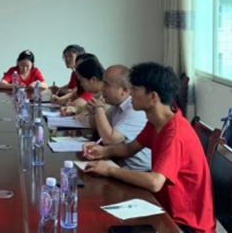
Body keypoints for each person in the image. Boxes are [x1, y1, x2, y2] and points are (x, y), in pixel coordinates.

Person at [82, 62, 215, 233]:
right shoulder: (156, 122)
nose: (131, 94)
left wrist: (109, 170)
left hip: (184, 224)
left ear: (152, 97)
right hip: (162, 207)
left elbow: (154, 182)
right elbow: (130, 149)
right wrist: (102, 151)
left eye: (135, 89)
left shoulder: (175, 132)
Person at [82, 65, 151, 171]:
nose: (102, 89)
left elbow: (109, 139)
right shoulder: (116, 106)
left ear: (124, 90)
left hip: (138, 170)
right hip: (120, 162)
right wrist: (93, 110)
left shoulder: (134, 109)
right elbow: (96, 127)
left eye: (106, 85)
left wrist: (99, 108)